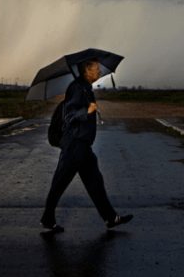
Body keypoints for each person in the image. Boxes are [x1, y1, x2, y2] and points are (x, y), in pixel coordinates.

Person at [40, 59, 133, 233]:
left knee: (95, 182)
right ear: (86, 70)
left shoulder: (85, 88)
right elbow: (68, 115)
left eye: (98, 69)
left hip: (82, 146)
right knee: (60, 182)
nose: (98, 72)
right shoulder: (76, 88)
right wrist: (86, 111)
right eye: (96, 69)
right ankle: (47, 218)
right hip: (75, 144)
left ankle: (110, 218)